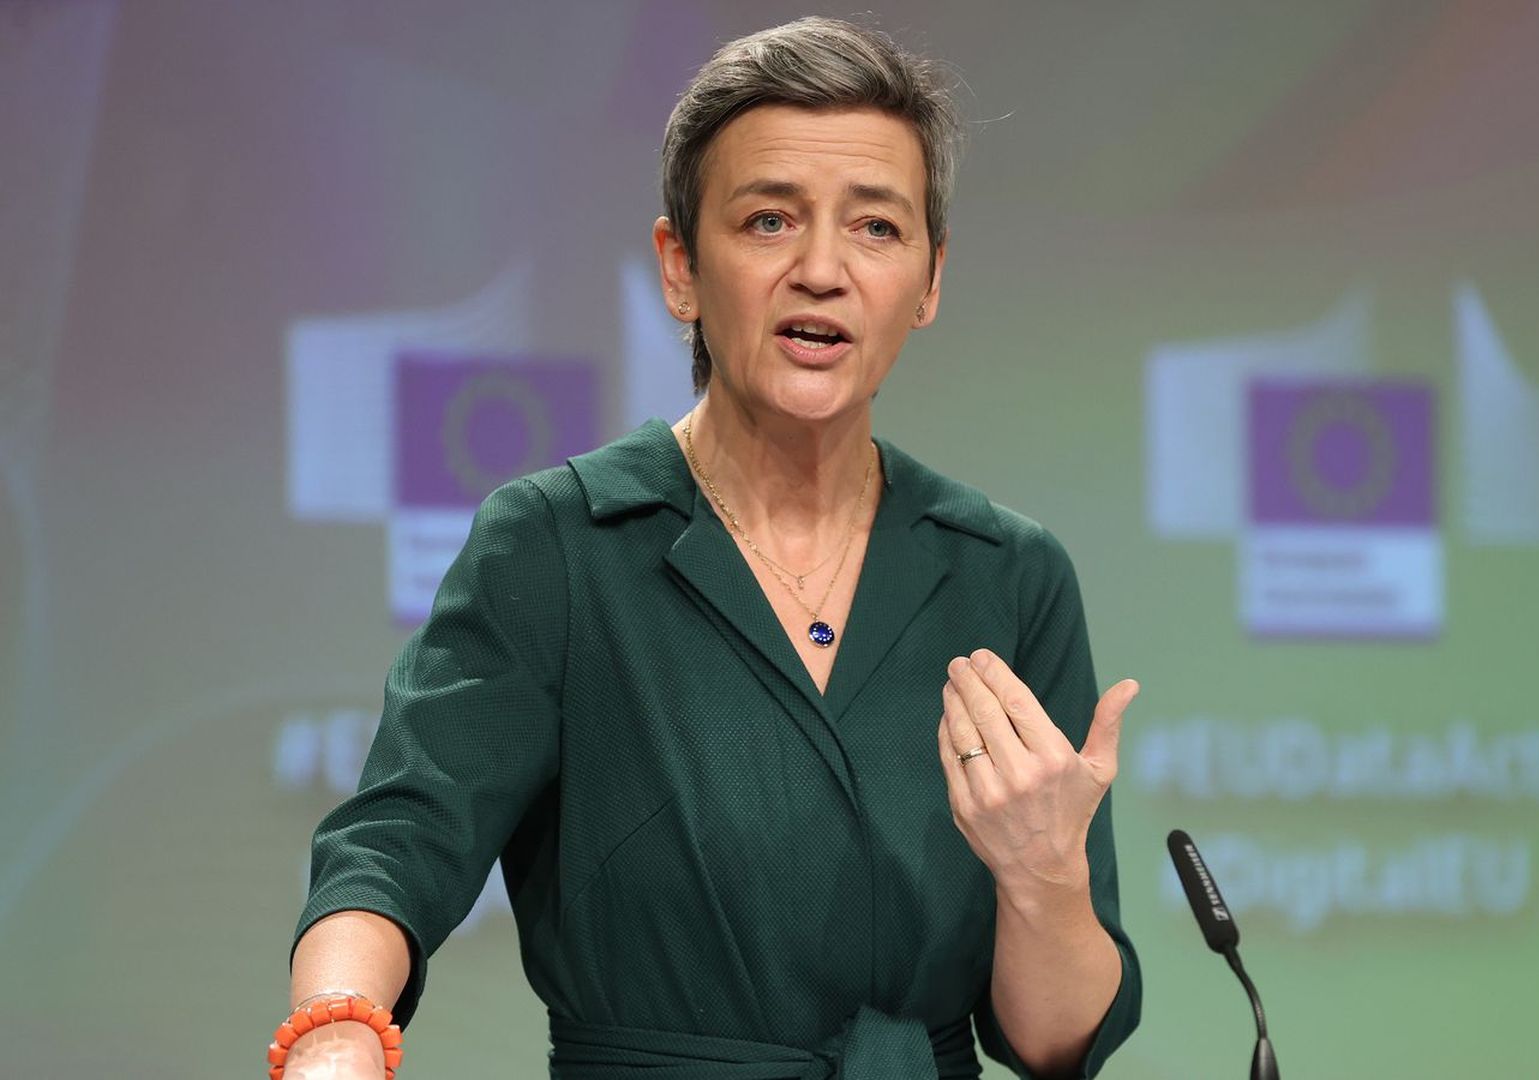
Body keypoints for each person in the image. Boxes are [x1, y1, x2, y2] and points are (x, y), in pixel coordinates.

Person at [278, 17, 1142, 1080]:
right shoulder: (557, 545)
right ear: (680, 267)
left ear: (929, 281)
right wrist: (334, 1037)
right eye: (769, 220)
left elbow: (1055, 1046)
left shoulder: (1007, 573)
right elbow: (393, 852)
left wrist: (1045, 873)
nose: (822, 270)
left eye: (876, 228)